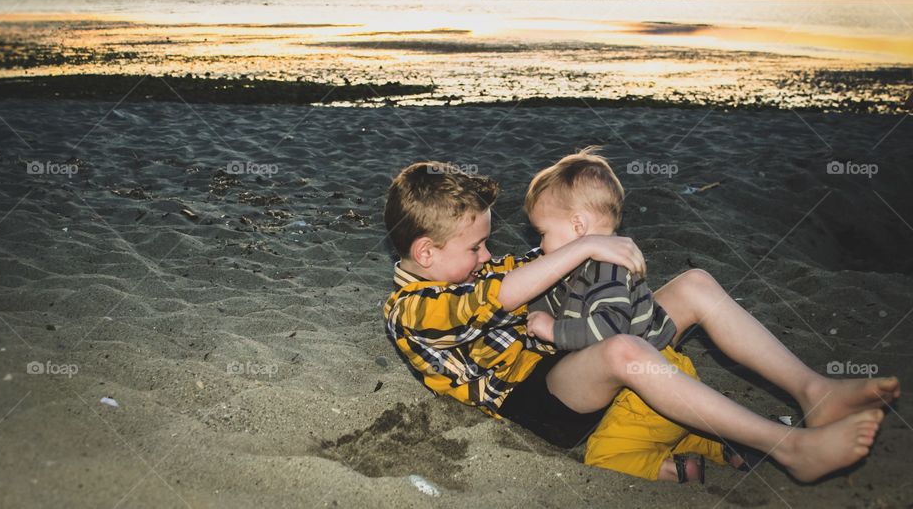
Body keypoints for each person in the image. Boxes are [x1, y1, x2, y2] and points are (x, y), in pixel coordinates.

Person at [383, 160, 897, 484]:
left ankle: (814, 391)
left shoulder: (482, 265)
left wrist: (589, 239)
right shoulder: (408, 311)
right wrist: (585, 245)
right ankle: (790, 448)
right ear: (426, 252)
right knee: (624, 353)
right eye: (476, 246)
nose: (488, 254)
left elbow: (531, 271)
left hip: (564, 353)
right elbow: (496, 295)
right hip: (533, 400)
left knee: (694, 284)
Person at [524, 148, 744, 481]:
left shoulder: (607, 272)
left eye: (543, 233)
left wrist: (555, 331)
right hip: (662, 378)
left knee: (605, 455)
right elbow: (561, 299)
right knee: (666, 423)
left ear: (578, 226)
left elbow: (609, 328)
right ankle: (720, 445)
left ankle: (675, 470)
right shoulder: (584, 269)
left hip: (647, 384)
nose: (541, 245)